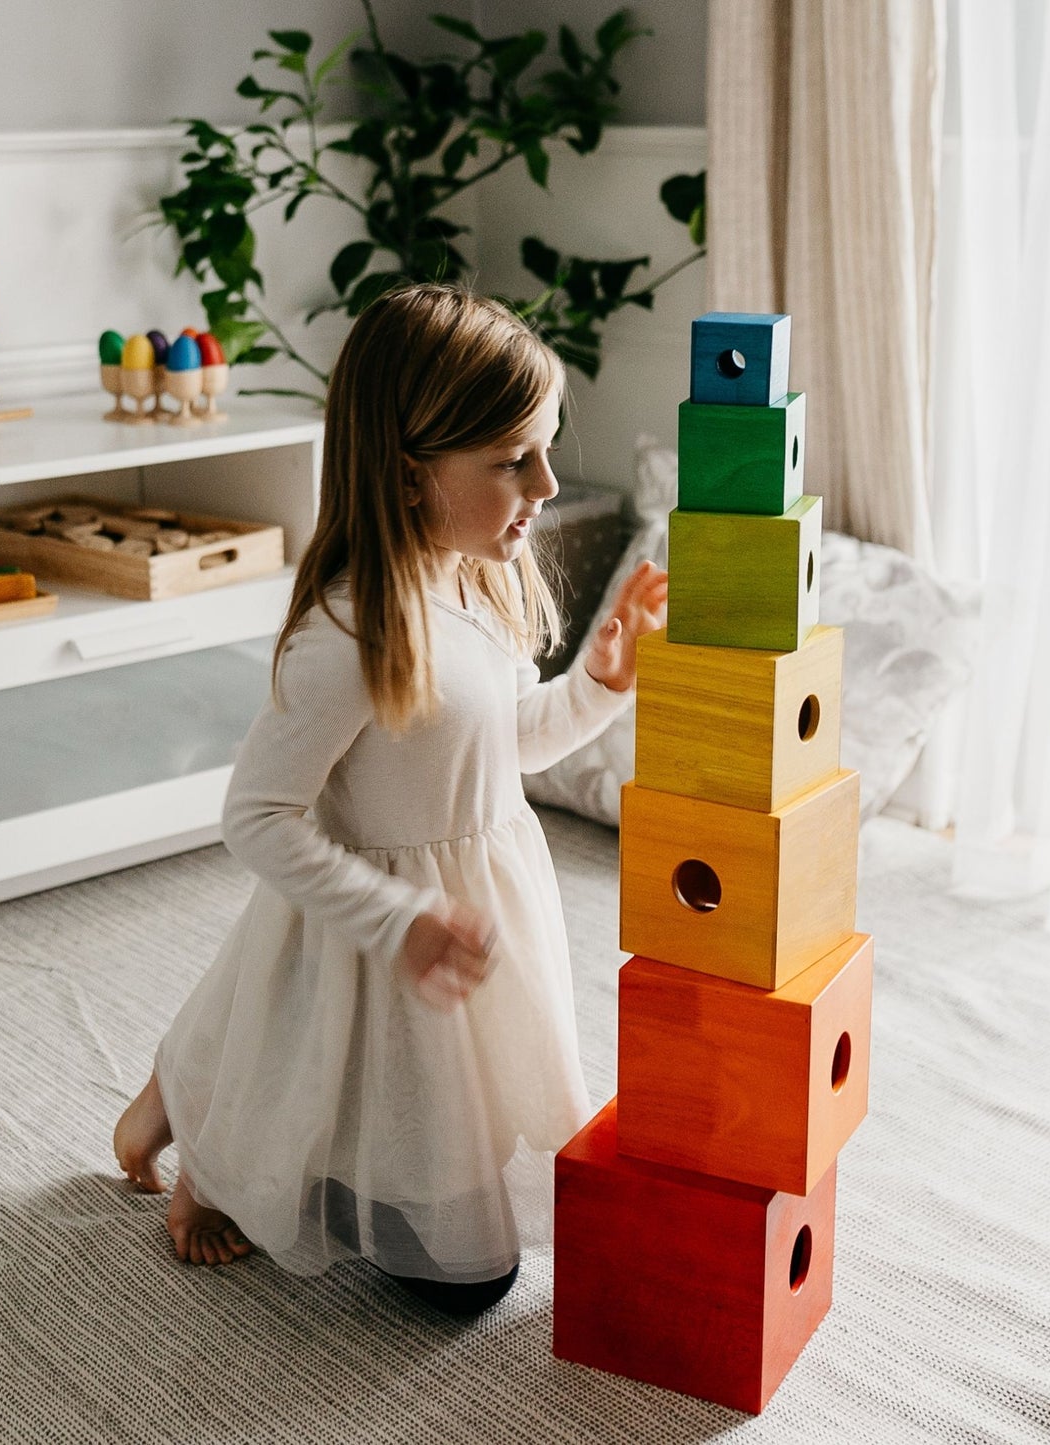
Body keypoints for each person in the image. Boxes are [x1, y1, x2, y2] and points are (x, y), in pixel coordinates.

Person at [114, 282, 667, 1316]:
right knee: (449, 1258)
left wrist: (596, 685)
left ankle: (192, 1101)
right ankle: (199, 1134)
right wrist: (395, 916)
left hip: (470, 907)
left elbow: (499, 747)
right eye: (512, 459)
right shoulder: (349, 630)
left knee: (457, 1219)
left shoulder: (473, 579)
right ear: (410, 473)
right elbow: (256, 815)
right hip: (375, 931)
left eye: (542, 447)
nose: (546, 483)